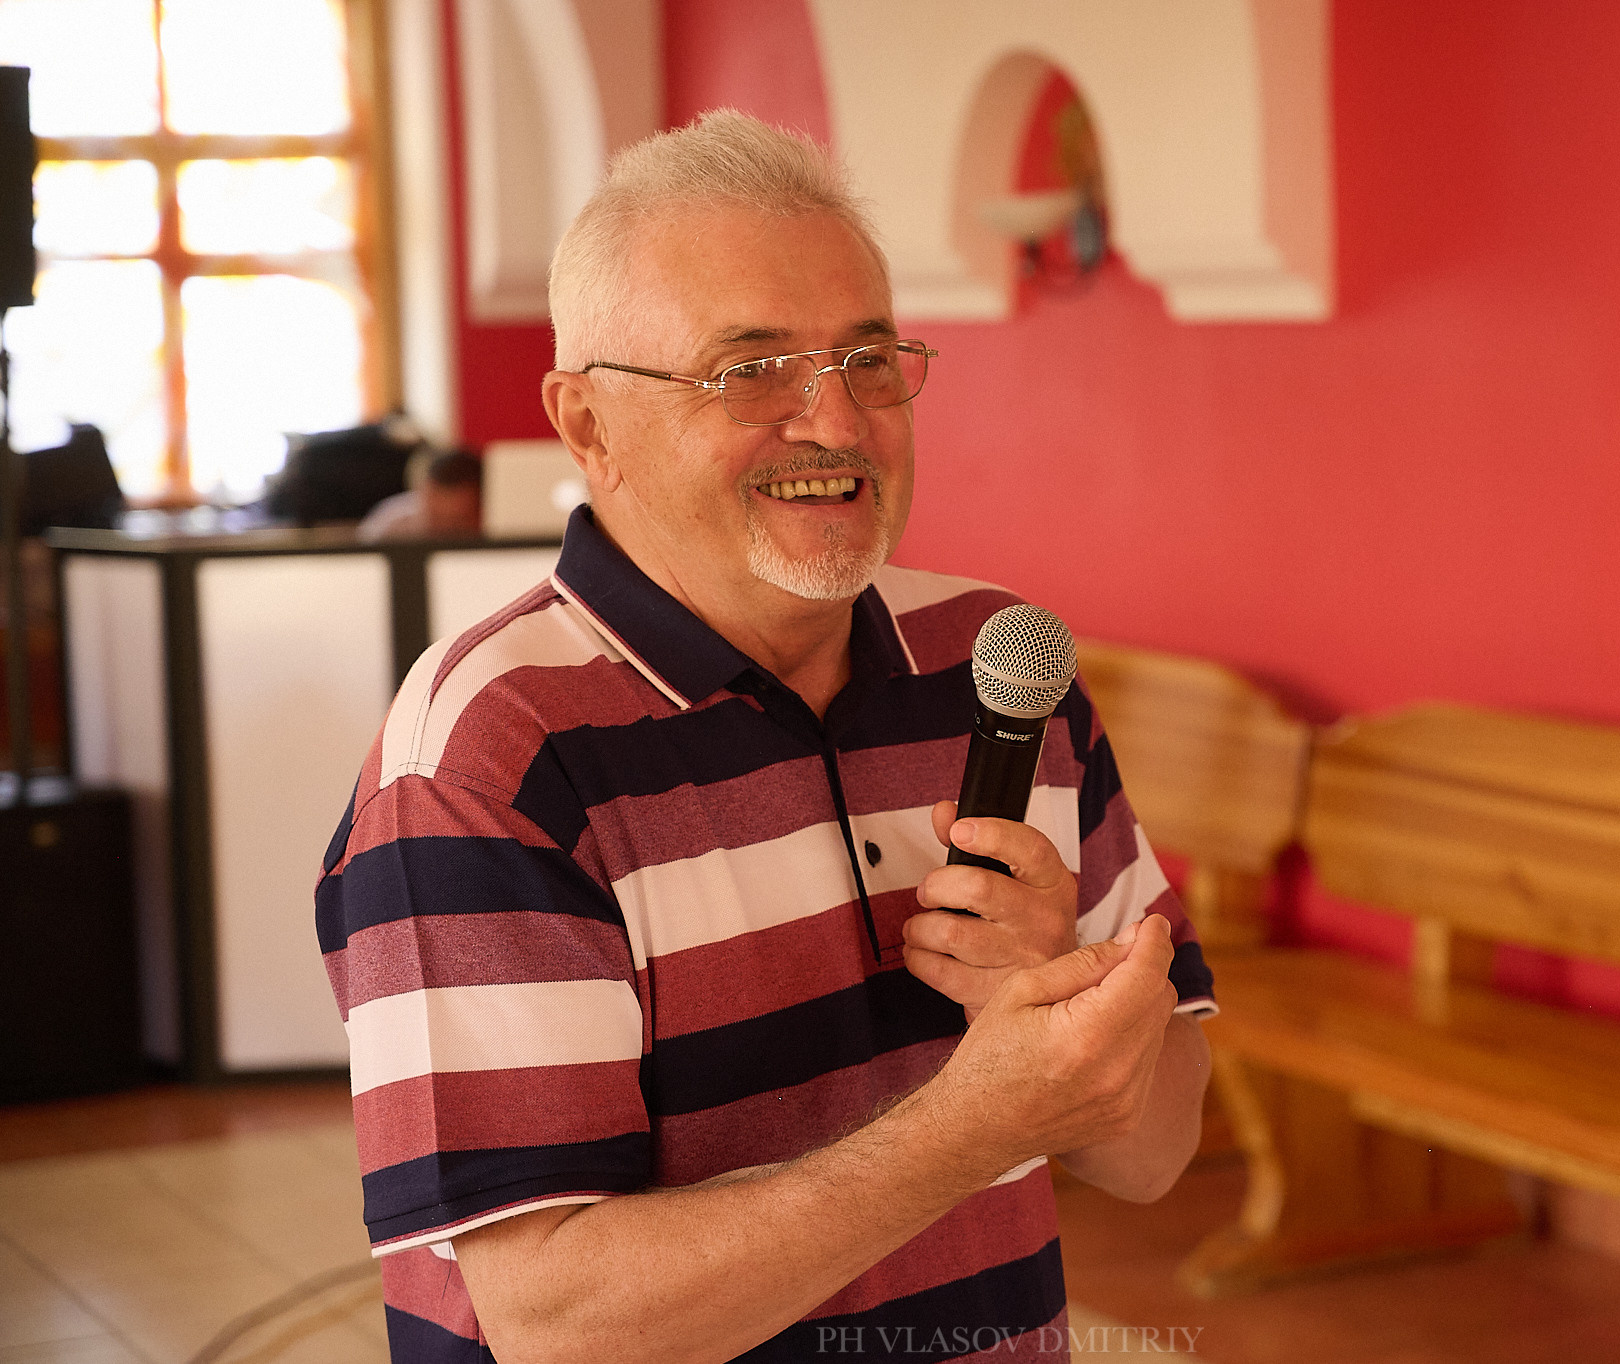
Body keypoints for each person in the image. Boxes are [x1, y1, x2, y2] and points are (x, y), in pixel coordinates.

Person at [316, 109, 1214, 1364]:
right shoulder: (488, 757)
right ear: (587, 427)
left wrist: (1049, 974)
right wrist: (967, 1122)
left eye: (865, 359)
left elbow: (1159, 1149)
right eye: (750, 372)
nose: (835, 424)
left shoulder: (1003, 667)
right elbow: (557, 1325)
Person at [356, 449, 484, 541]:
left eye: (457, 523)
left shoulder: (496, 524)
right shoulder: (390, 524)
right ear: (422, 493)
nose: (444, 532)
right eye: (435, 518)